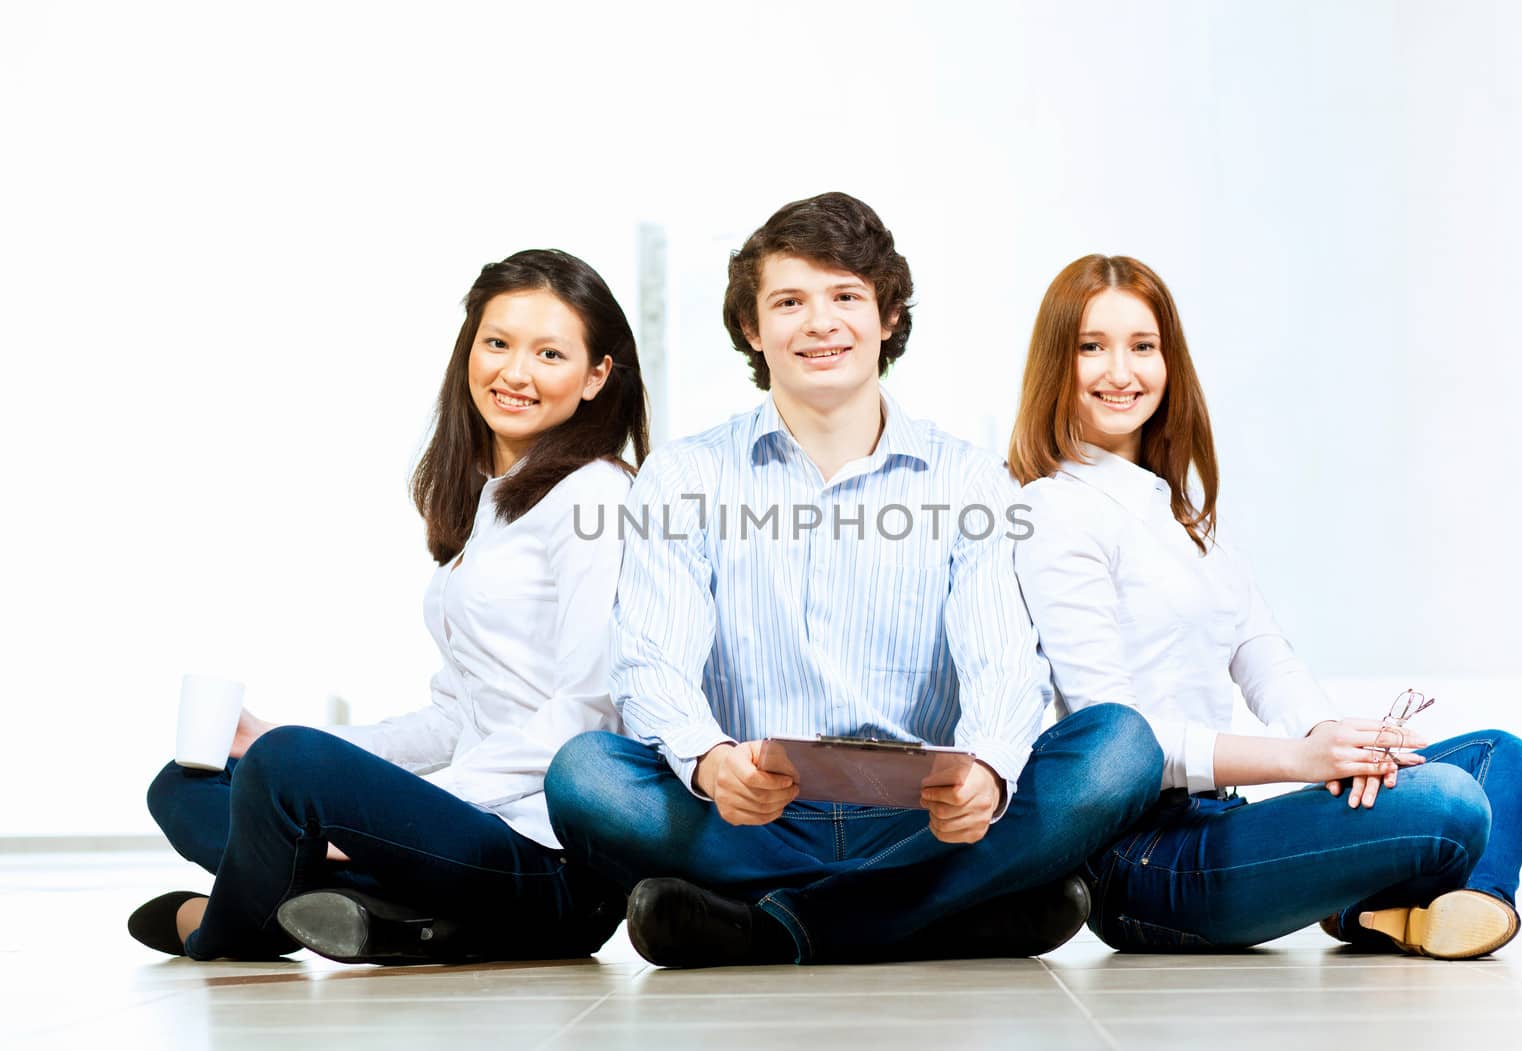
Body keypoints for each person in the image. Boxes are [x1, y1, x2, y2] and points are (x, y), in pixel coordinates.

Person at [543, 193, 1163, 968]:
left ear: (888, 316)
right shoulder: (684, 474)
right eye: (790, 301)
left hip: (922, 820)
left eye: (846, 297)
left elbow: (1004, 661)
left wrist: (989, 773)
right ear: (752, 327)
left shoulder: (968, 478)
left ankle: (778, 925)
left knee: (1122, 746)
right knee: (583, 774)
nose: (820, 322)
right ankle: (934, 914)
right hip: (750, 818)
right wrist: (708, 761)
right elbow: (652, 660)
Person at [1009, 253, 1522, 958]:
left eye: (1143, 346)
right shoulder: (1055, 511)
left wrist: (1337, 741)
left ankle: (1427, 912)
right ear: (1057, 362)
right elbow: (1121, 745)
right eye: (1091, 347)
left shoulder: (1183, 516)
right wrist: (1301, 759)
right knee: (1448, 803)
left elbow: (1264, 655)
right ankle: (1405, 901)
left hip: (1220, 821)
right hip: (1140, 862)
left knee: (1501, 760)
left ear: (1170, 363)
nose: (1120, 371)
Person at [132, 249, 650, 963]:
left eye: (550, 353)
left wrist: (402, 809)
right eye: (496, 343)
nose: (514, 372)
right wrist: (289, 744)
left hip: (546, 858)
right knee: (187, 784)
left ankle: (221, 927)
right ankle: (390, 914)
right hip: (470, 833)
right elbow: (454, 717)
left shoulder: (595, 493)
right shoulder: (494, 501)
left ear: (596, 375)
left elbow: (591, 711)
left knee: (288, 771)